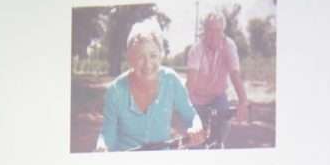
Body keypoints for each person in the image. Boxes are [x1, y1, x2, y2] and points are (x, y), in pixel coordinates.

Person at [96, 20, 204, 152]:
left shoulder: (171, 80)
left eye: (153, 56)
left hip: (160, 158)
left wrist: (196, 126)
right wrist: (102, 145)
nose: (148, 64)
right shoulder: (115, 91)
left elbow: (191, 115)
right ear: (130, 59)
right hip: (127, 159)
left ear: (161, 56)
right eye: (140, 57)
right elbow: (107, 133)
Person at [186, 11, 249, 147]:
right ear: (204, 31)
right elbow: (190, 83)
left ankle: (219, 144)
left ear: (223, 31)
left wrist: (243, 101)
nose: (214, 35)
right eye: (210, 30)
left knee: (224, 124)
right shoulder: (196, 50)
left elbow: (235, 74)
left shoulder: (229, 46)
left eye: (218, 30)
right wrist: (186, 108)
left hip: (218, 95)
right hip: (197, 97)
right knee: (196, 138)